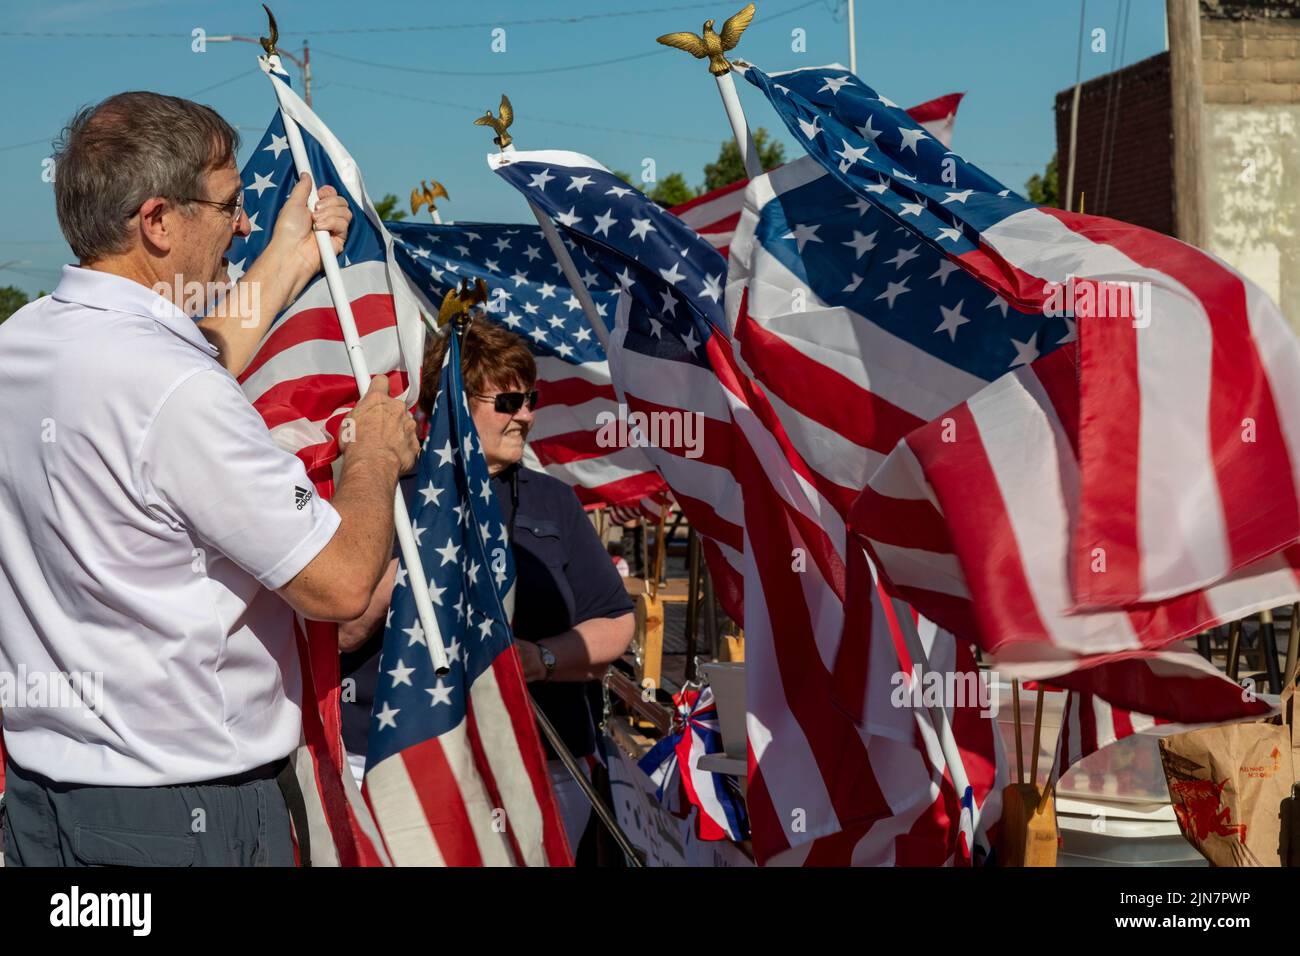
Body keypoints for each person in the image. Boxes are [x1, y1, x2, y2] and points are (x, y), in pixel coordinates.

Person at [0, 91, 419, 866]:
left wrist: (289, 258)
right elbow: (338, 584)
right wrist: (371, 457)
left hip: (41, 802)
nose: (245, 222)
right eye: (230, 206)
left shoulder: (21, 343)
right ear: (157, 222)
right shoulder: (173, 391)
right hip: (181, 814)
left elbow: (183, 363)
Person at [340, 318, 635, 851]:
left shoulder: (554, 503)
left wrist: (539, 660)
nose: (525, 413)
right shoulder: (383, 497)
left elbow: (615, 622)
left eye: (530, 398)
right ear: (453, 403)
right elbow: (341, 632)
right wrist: (408, 571)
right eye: (507, 402)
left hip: (535, 761)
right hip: (398, 763)